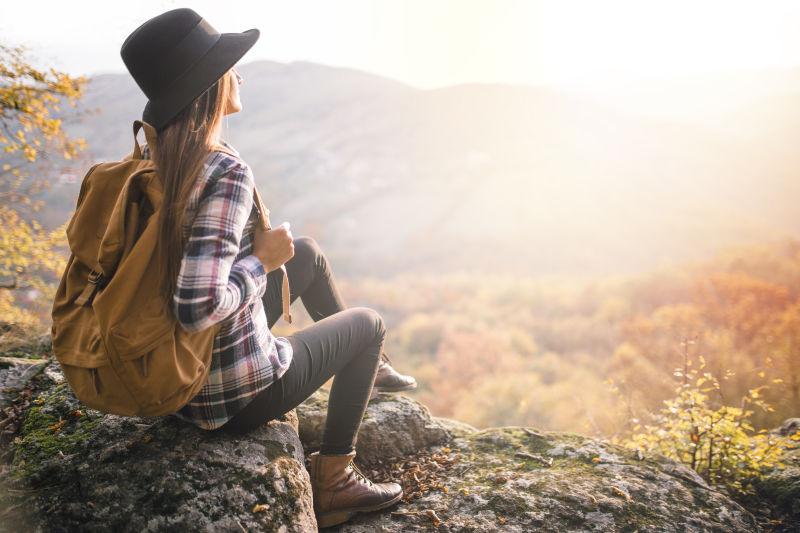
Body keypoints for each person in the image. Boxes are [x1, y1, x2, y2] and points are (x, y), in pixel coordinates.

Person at [120, 8, 417, 528]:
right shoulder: (222, 170)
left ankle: (376, 371)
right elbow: (197, 307)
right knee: (368, 324)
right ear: (210, 85)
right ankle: (336, 481)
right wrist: (262, 261)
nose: (240, 75)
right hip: (228, 396)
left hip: (174, 373)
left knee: (307, 250)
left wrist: (274, 256)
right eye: (231, 66)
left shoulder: (152, 156)